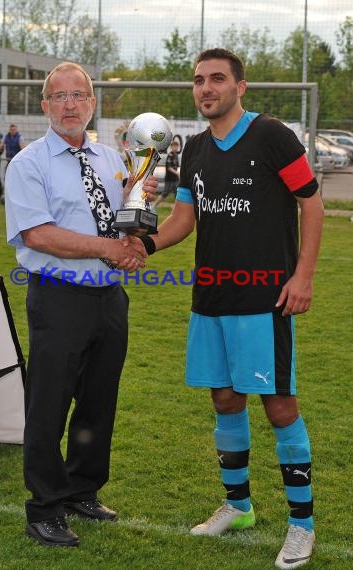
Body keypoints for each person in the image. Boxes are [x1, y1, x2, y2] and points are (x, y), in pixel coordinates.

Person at [140, 48, 324, 569]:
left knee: (279, 406)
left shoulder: (272, 136)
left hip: (265, 300)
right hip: (211, 297)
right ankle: (238, 506)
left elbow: (312, 202)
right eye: (198, 81)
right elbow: (182, 219)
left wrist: (303, 276)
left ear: (240, 87)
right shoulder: (193, 149)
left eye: (217, 79)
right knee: (224, 400)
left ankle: (301, 527)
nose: (206, 88)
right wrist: (146, 246)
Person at [4, 61, 157, 548]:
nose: (70, 104)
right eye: (59, 96)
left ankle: (81, 489)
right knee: (49, 405)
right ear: (45, 105)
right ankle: (44, 508)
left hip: (108, 299)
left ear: (92, 102)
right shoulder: (28, 163)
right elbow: (39, 234)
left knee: (98, 401)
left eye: (79, 95)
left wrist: (136, 228)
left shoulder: (115, 159)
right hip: (59, 298)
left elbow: (122, 224)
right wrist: (111, 248)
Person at [154, 139, 180, 207]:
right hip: (169, 178)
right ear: (171, 147)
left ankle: (176, 208)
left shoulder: (176, 155)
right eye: (174, 146)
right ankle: (154, 205)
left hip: (175, 179)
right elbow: (169, 167)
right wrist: (177, 173)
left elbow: (176, 167)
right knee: (165, 194)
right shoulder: (170, 155)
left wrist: (178, 175)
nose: (175, 148)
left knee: (177, 194)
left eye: (176, 146)